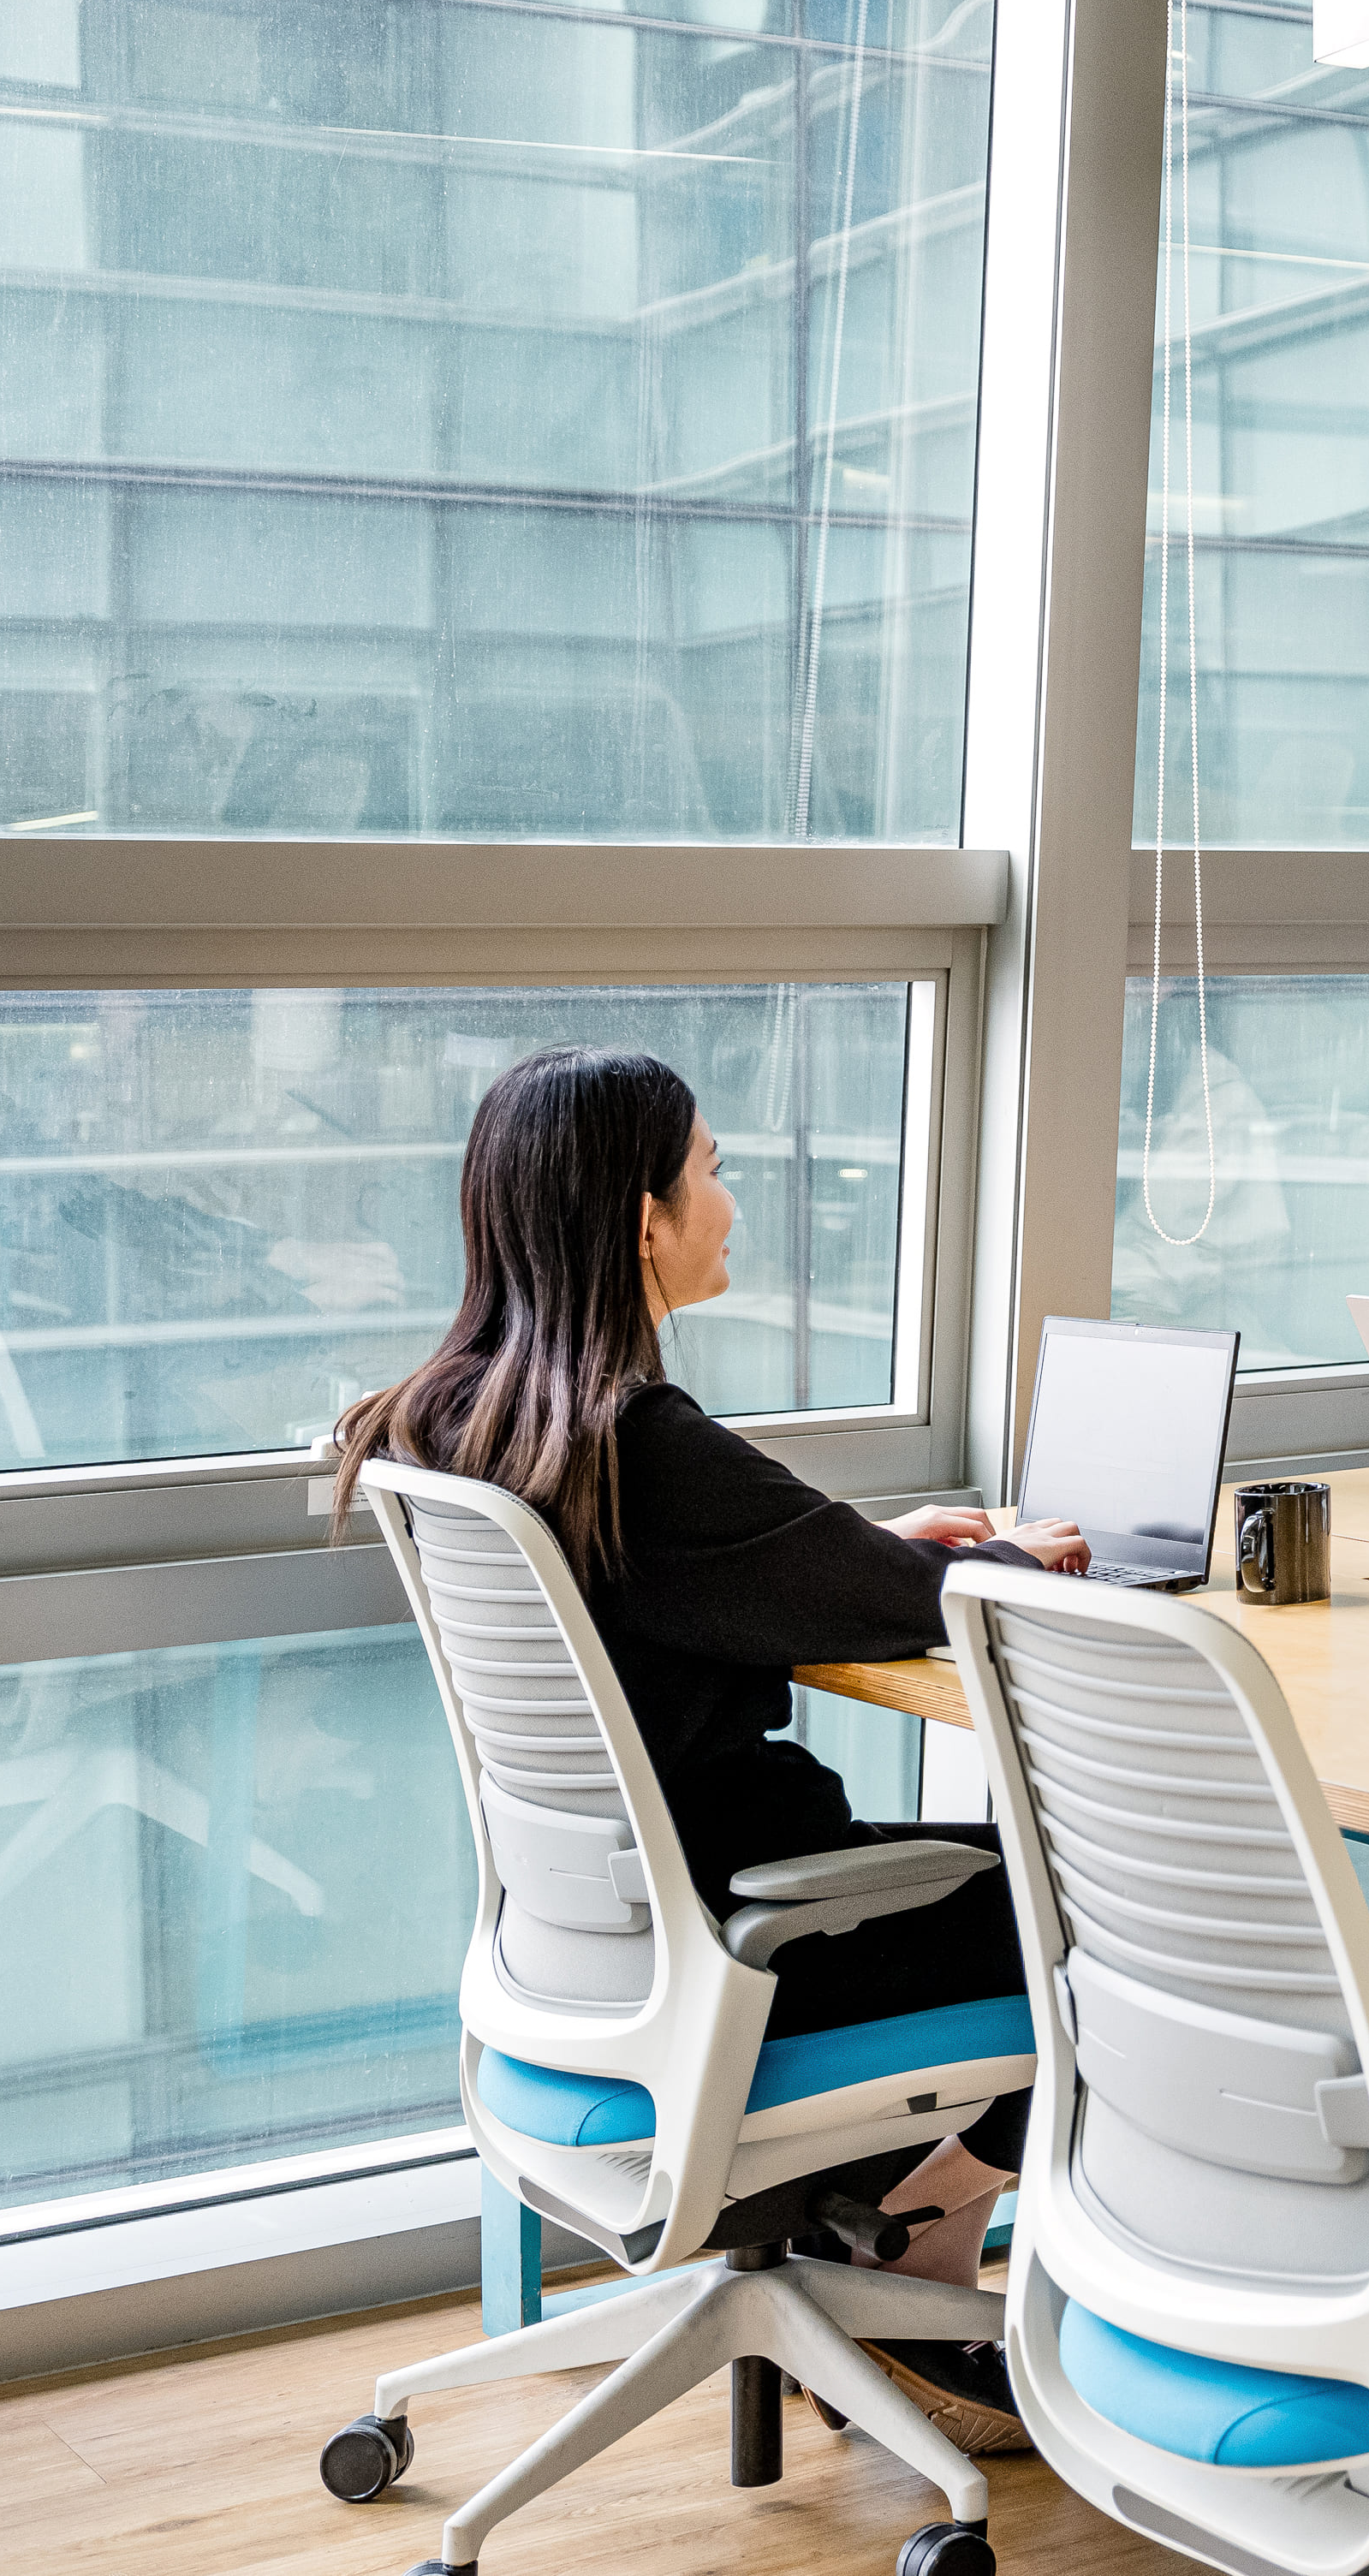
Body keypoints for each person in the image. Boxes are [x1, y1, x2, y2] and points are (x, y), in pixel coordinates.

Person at [336, 1048, 1084, 2452]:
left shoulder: (458, 1417)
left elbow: (736, 1573)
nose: (732, 1203)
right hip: (754, 1932)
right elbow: (898, 1594)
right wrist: (1013, 1559)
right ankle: (923, 2246)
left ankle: (892, 2250)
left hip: (602, 1940)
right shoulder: (643, 1440)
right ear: (645, 1221)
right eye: (714, 1171)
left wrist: (868, 1552)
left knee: (1027, 1886)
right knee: (1106, 1915)